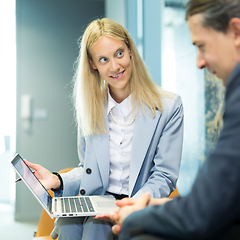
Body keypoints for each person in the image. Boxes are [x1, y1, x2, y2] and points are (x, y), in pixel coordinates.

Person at [25, 18, 184, 240]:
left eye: (119, 53)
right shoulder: (90, 108)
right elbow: (88, 170)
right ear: (93, 64)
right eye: (103, 59)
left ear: (130, 50)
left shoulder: (169, 107)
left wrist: (131, 206)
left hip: (135, 203)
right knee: (69, 225)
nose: (115, 66)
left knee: (95, 229)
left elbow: (164, 175)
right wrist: (57, 180)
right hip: (97, 201)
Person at [106, 0, 240, 239]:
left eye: (202, 45)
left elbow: (201, 208)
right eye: (103, 59)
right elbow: (218, 195)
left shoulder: (172, 105)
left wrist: (136, 216)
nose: (199, 62)